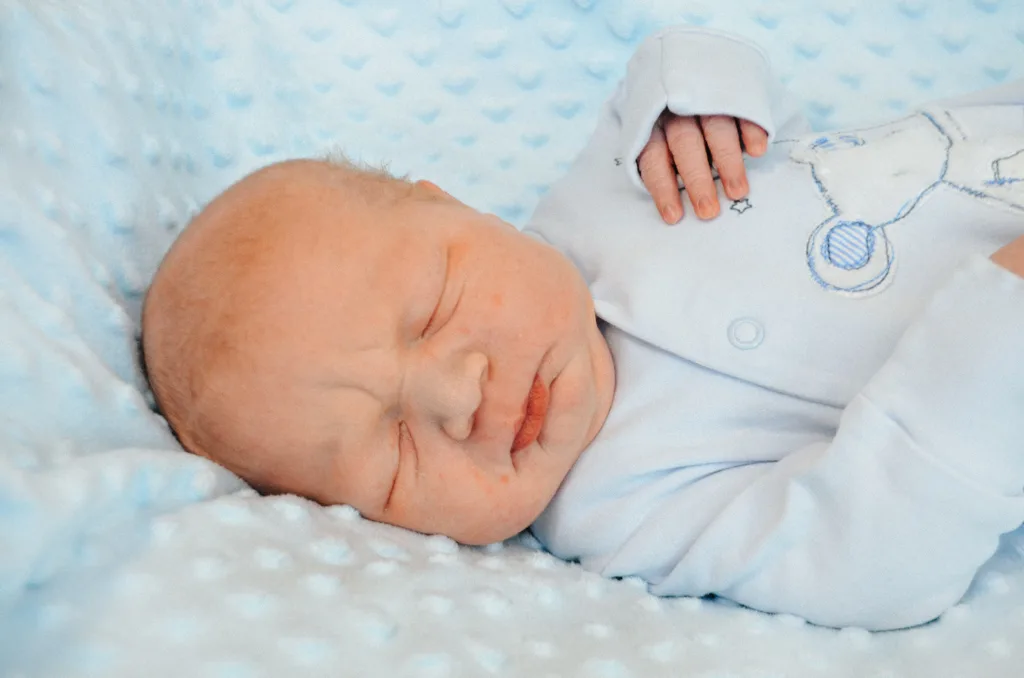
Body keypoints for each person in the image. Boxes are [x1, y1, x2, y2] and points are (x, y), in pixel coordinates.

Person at [142, 27, 1024, 630]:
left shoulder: (605, 192)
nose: (458, 398)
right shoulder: (622, 513)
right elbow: (863, 559)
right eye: (394, 453)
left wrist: (694, 104)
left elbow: (693, 68)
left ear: (452, 204)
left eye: (432, 311)